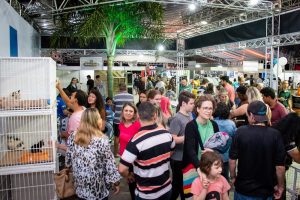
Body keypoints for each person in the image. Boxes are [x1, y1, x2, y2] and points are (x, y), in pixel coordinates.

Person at [229, 101, 286, 200]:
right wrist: (280, 187)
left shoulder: (240, 132)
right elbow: (280, 167)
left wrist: (233, 177)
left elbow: (232, 160)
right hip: (266, 191)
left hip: (243, 189)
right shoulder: (275, 135)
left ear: (251, 115)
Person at [119, 102, 175, 200]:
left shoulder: (136, 140)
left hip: (146, 194)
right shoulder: (167, 134)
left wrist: (128, 175)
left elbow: (122, 169)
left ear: (138, 116)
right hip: (167, 189)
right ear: (155, 115)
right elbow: (172, 150)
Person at [66, 108, 121, 200]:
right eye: (99, 118)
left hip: (80, 184)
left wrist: (68, 169)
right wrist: (116, 182)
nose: (100, 120)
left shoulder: (73, 136)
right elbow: (110, 164)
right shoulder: (102, 140)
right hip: (98, 187)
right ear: (95, 121)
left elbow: (68, 158)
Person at [182, 95, 219, 199]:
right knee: (193, 196)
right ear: (198, 109)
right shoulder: (191, 126)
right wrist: (199, 168)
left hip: (210, 167)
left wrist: (212, 151)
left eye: (210, 108)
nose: (208, 111)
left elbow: (218, 146)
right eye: (205, 108)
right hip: (193, 168)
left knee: (210, 195)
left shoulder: (214, 125)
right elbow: (190, 150)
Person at [169, 91, 195, 200]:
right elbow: (172, 139)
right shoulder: (177, 119)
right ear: (183, 104)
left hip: (187, 156)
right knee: (178, 185)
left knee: (184, 185)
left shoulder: (189, 114)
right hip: (178, 159)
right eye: (191, 103)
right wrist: (188, 137)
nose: (193, 105)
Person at [56, 81, 87, 151]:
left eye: (72, 95)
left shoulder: (75, 117)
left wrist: (61, 134)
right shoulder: (82, 109)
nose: (70, 96)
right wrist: (59, 88)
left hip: (76, 150)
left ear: (76, 100)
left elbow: (71, 136)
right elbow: (67, 101)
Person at [119, 103, 141, 200]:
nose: (128, 113)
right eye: (126, 110)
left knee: (137, 184)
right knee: (130, 183)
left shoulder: (137, 125)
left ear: (134, 113)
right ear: (122, 112)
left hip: (135, 160)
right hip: (124, 158)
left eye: (131, 111)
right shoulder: (120, 124)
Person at [213, 102, 236, 180]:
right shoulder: (231, 124)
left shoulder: (212, 123)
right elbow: (234, 137)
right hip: (226, 155)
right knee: (225, 177)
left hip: (214, 154)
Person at [113, 83, 134, 157]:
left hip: (117, 120)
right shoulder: (131, 97)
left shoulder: (115, 97)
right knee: (129, 136)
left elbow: (113, 109)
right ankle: (127, 153)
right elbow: (133, 108)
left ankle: (115, 153)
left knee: (116, 137)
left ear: (119, 88)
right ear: (126, 88)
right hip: (128, 120)